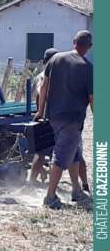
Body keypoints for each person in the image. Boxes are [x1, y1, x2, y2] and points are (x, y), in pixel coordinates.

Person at [35, 30, 93, 209]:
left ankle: (76, 190)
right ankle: (50, 197)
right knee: (60, 158)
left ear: (74, 41)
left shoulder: (55, 59)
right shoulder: (87, 67)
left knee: (74, 154)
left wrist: (40, 111)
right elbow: (92, 98)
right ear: (89, 47)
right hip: (71, 119)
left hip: (54, 116)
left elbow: (43, 86)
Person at [28, 48, 59, 186]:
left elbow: (38, 94)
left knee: (41, 152)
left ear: (45, 60)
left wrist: (40, 112)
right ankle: (50, 184)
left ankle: (31, 183)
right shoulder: (58, 76)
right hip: (56, 117)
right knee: (54, 154)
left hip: (45, 117)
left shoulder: (40, 76)